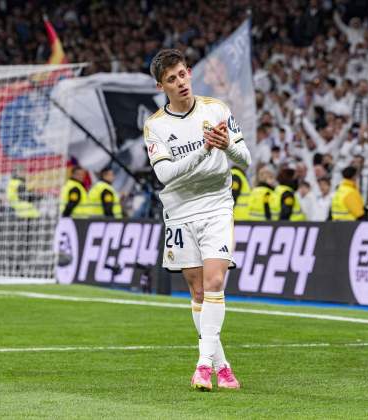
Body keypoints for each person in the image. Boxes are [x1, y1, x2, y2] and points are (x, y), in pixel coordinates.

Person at [143, 49, 251, 391]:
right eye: (171, 79)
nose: (180, 83)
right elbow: (165, 175)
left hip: (217, 205)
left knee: (216, 282)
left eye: (183, 74)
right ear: (162, 86)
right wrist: (204, 150)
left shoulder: (216, 109)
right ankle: (223, 367)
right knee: (199, 290)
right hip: (180, 211)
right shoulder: (155, 126)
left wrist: (226, 147)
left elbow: (244, 159)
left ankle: (203, 365)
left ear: (190, 73)